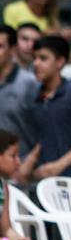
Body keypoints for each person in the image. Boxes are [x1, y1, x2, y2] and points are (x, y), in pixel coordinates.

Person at [24, 36, 71, 182]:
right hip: (44, 178)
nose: (36, 63)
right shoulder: (34, 96)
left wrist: (60, 165)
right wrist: (31, 160)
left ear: (60, 62)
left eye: (43, 58)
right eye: (34, 58)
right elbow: (43, 137)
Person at [0, 25, 38, 162]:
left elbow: (46, 130)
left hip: (21, 166)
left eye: (0, 46)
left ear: (12, 49)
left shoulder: (30, 83)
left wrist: (31, 161)